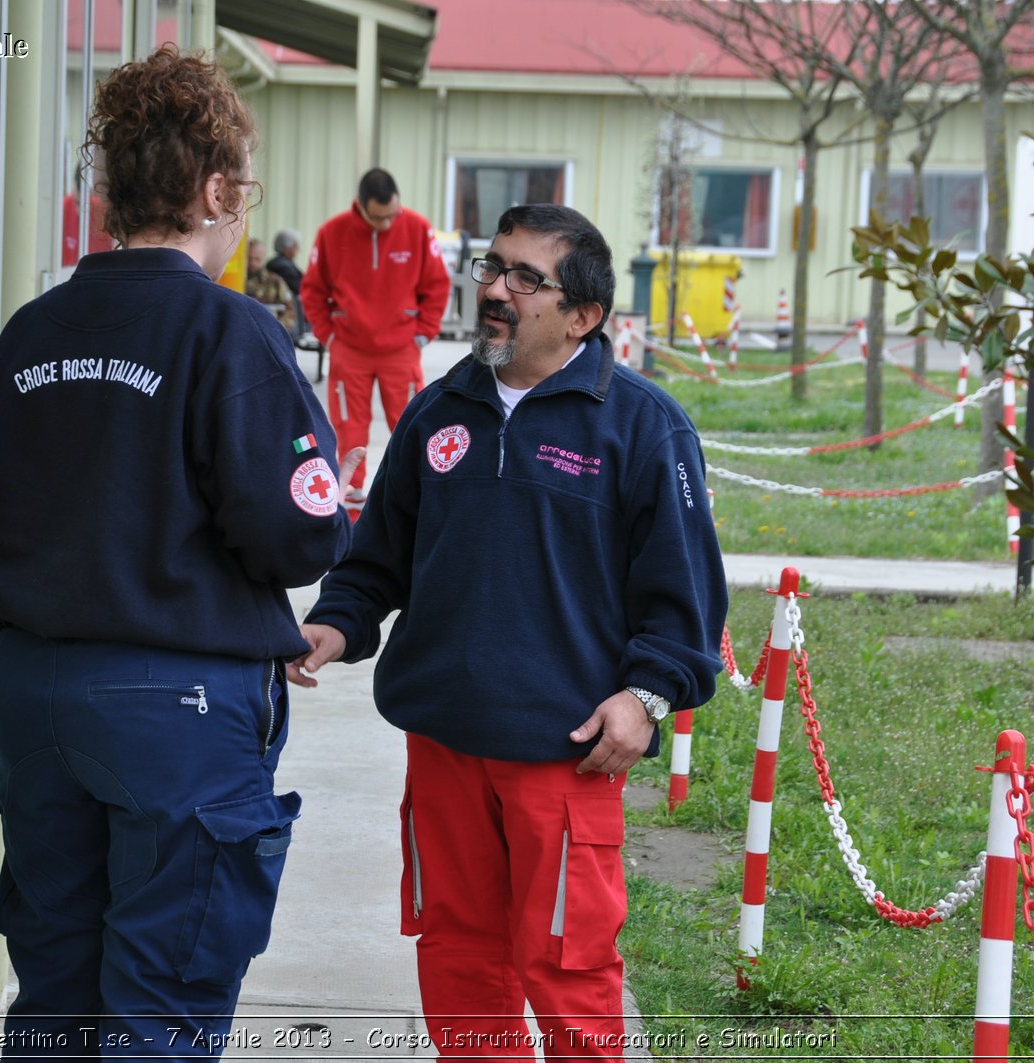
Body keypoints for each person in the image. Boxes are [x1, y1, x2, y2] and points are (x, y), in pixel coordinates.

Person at [0, 46, 362, 1059]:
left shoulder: (29, 335)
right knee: (158, 1007)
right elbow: (295, 532)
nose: (244, 207)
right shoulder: (232, 336)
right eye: (243, 187)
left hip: (37, 699)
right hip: (179, 712)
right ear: (212, 189)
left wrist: (39, 639)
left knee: (58, 998)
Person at [287, 204, 727, 1061]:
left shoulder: (642, 425)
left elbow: (687, 601)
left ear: (583, 316)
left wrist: (645, 698)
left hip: (564, 752)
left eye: (527, 278)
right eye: (492, 268)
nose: (495, 289)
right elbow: (379, 560)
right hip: (446, 742)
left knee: (568, 970)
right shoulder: (437, 410)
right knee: (459, 960)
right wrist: (334, 627)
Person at [300, 168, 450, 519]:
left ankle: (409, 498)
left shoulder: (417, 229)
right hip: (349, 349)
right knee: (350, 426)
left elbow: (438, 286)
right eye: (379, 217)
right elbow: (312, 291)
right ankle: (351, 503)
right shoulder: (331, 233)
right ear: (362, 208)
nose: (387, 223)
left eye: (392, 215)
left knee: (411, 422)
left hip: (401, 349)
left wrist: (423, 333)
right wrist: (330, 337)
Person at [244, 238, 294, 332]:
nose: (252, 263)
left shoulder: (275, 282)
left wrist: (275, 329)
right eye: (249, 258)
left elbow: (290, 312)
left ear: (264, 258)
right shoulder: (235, 281)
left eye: (257, 259)